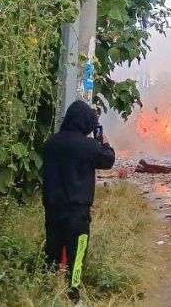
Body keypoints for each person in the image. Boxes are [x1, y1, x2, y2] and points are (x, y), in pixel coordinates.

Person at [42, 100, 115, 302]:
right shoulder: (89, 146)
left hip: (53, 208)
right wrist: (104, 141)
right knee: (78, 252)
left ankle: (47, 289)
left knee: (53, 248)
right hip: (77, 212)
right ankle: (74, 293)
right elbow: (108, 160)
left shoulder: (51, 143)